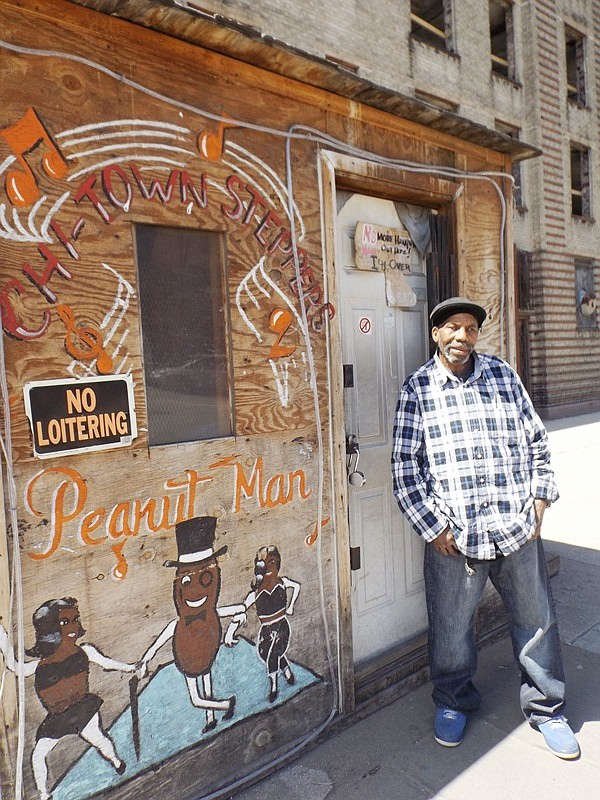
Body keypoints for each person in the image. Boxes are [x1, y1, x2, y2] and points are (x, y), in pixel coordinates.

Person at [391, 296, 579, 760]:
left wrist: (539, 499)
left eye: (470, 329)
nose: (462, 337)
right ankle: (454, 701)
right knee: (452, 628)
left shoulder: (502, 375)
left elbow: (537, 439)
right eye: (452, 328)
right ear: (436, 334)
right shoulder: (418, 389)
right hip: (455, 538)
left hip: (515, 529)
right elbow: (403, 467)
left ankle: (547, 707)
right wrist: (434, 528)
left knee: (536, 622)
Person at [0, 597, 136, 800]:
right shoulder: (41, 665)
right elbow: (14, 666)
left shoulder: (84, 652)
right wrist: (2, 636)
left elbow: (108, 663)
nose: (73, 626)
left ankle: (116, 761)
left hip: (82, 708)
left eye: (75, 619)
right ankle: (44, 794)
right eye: (64, 622)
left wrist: (131, 667)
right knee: (40, 754)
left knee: (98, 738)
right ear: (50, 629)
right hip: (59, 717)